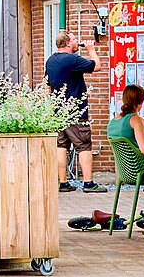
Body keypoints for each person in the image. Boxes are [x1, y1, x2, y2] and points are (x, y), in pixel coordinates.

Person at [45, 30, 107, 193]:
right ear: (67, 43)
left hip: (58, 112)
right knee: (84, 145)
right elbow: (97, 66)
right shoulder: (72, 59)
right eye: (74, 39)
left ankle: (63, 183)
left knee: (61, 145)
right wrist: (91, 49)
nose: (77, 41)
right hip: (75, 112)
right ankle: (88, 183)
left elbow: (48, 84)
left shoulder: (50, 61)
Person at [107, 85, 144, 156]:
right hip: (138, 164)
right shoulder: (136, 120)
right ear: (140, 102)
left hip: (122, 166)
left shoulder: (112, 122)